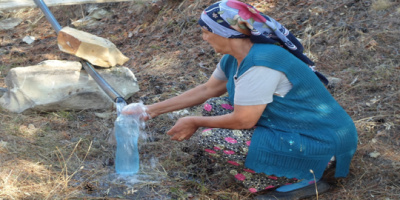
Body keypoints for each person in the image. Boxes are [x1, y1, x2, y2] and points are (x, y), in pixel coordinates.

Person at [123, 0, 358, 199]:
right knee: (212, 108)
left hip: (324, 143)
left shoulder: (261, 63)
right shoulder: (237, 56)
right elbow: (208, 89)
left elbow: (245, 120)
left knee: (212, 136)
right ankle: (286, 166)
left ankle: (305, 177)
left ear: (226, 33)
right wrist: (149, 110)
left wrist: (195, 121)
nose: (204, 38)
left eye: (207, 31)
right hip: (298, 128)